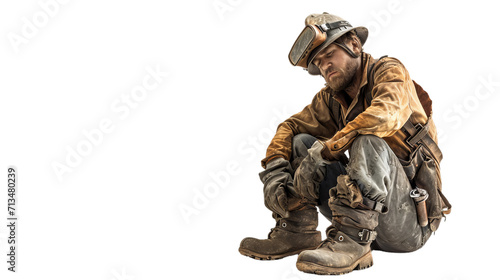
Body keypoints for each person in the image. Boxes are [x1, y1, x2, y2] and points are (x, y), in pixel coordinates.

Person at [238, 12, 451, 275]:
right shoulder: (331, 99)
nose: (324, 66)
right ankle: (297, 231)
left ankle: (354, 242)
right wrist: (275, 169)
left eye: (329, 55)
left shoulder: (389, 72)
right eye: (318, 62)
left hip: (407, 227)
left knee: (366, 137)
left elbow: (385, 115)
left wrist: (327, 149)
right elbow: (290, 127)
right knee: (301, 142)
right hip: (354, 216)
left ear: (353, 45)